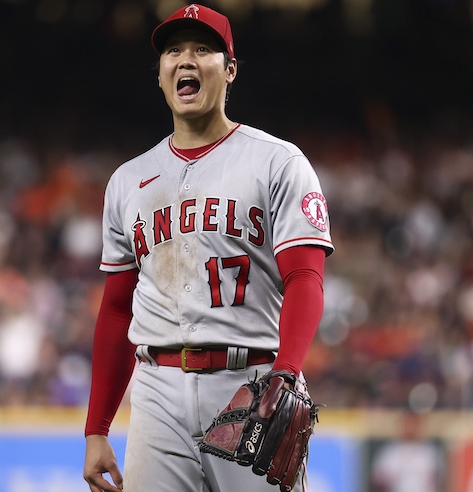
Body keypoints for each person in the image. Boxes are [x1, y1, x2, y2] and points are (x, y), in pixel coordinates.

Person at [83, 4, 334, 492]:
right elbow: (116, 309)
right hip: (157, 391)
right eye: (173, 51)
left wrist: (285, 374)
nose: (186, 60)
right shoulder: (128, 180)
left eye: (202, 49)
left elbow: (304, 277)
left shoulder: (277, 162)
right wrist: (97, 428)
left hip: (252, 384)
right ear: (160, 73)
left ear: (230, 69)